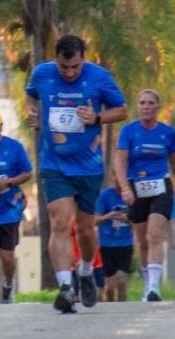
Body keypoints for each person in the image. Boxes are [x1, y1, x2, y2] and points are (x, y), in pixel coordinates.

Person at [26, 34, 127, 313]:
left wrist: (96, 118)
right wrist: (31, 113)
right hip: (54, 162)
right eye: (63, 67)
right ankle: (65, 288)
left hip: (88, 166)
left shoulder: (100, 77)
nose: (69, 73)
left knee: (85, 228)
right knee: (60, 222)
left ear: (84, 58)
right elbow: (31, 96)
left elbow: (121, 110)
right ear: (55, 59)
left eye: (75, 67)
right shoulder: (42, 73)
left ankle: (84, 271)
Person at [114, 89, 175, 302]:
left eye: (150, 103)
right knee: (142, 239)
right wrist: (125, 188)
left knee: (154, 235)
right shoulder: (128, 131)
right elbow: (120, 161)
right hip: (136, 187)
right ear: (138, 107)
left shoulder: (168, 132)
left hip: (161, 186)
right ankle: (148, 283)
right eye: (142, 103)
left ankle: (154, 287)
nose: (145, 106)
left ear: (157, 107)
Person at [0, 110, 33, 304]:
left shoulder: (14, 147)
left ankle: (8, 285)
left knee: (7, 257)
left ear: (1, 127)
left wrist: (9, 182)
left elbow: (27, 173)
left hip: (8, 211)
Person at [95, 174, 133, 302]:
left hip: (125, 243)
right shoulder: (105, 195)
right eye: (118, 181)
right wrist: (109, 216)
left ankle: (123, 311)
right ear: (113, 180)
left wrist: (127, 219)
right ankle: (111, 311)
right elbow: (95, 220)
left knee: (121, 282)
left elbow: (139, 220)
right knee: (110, 287)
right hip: (107, 244)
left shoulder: (131, 195)